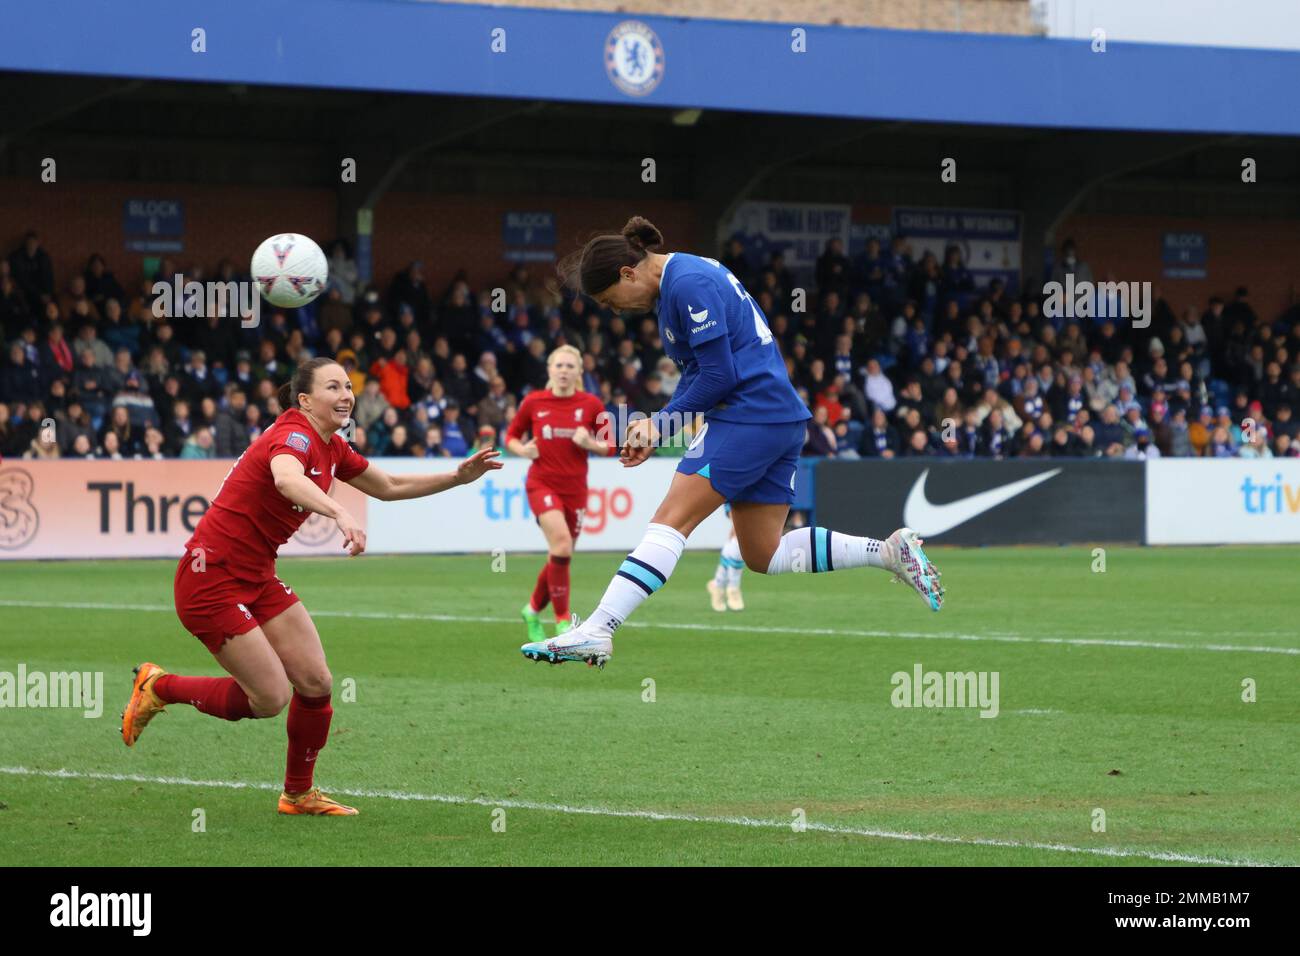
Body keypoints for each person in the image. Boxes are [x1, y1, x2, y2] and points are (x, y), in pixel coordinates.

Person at [521, 217, 943, 668]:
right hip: (773, 417)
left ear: (628, 273)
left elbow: (721, 376)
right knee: (763, 553)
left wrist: (661, 424)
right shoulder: (677, 285)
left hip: (750, 414)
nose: (615, 311)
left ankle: (598, 629)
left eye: (610, 300)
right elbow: (700, 373)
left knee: (670, 521)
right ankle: (887, 552)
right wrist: (660, 426)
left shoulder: (687, 283)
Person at [120, 356, 502, 815]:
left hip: (256, 575)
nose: (346, 395)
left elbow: (390, 484)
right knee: (270, 698)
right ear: (305, 400)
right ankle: (161, 687)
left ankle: (298, 794)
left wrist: (457, 477)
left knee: (316, 681)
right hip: (210, 579)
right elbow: (286, 478)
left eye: (347, 386)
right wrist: (340, 512)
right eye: (333, 388)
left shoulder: (332, 445)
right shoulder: (294, 434)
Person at [505, 345, 615, 641]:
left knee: (560, 552)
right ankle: (563, 622)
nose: (564, 371)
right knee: (563, 545)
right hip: (541, 483)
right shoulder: (533, 402)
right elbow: (511, 436)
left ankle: (531, 609)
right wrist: (521, 450)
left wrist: (591, 444)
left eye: (570, 366)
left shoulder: (591, 404)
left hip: (575, 490)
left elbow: (612, 444)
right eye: (559, 366)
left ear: (580, 372)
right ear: (549, 369)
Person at [706, 507, 745, 612]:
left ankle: (717, 584)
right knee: (742, 527)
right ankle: (733, 588)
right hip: (741, 491)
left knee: (737, 530)